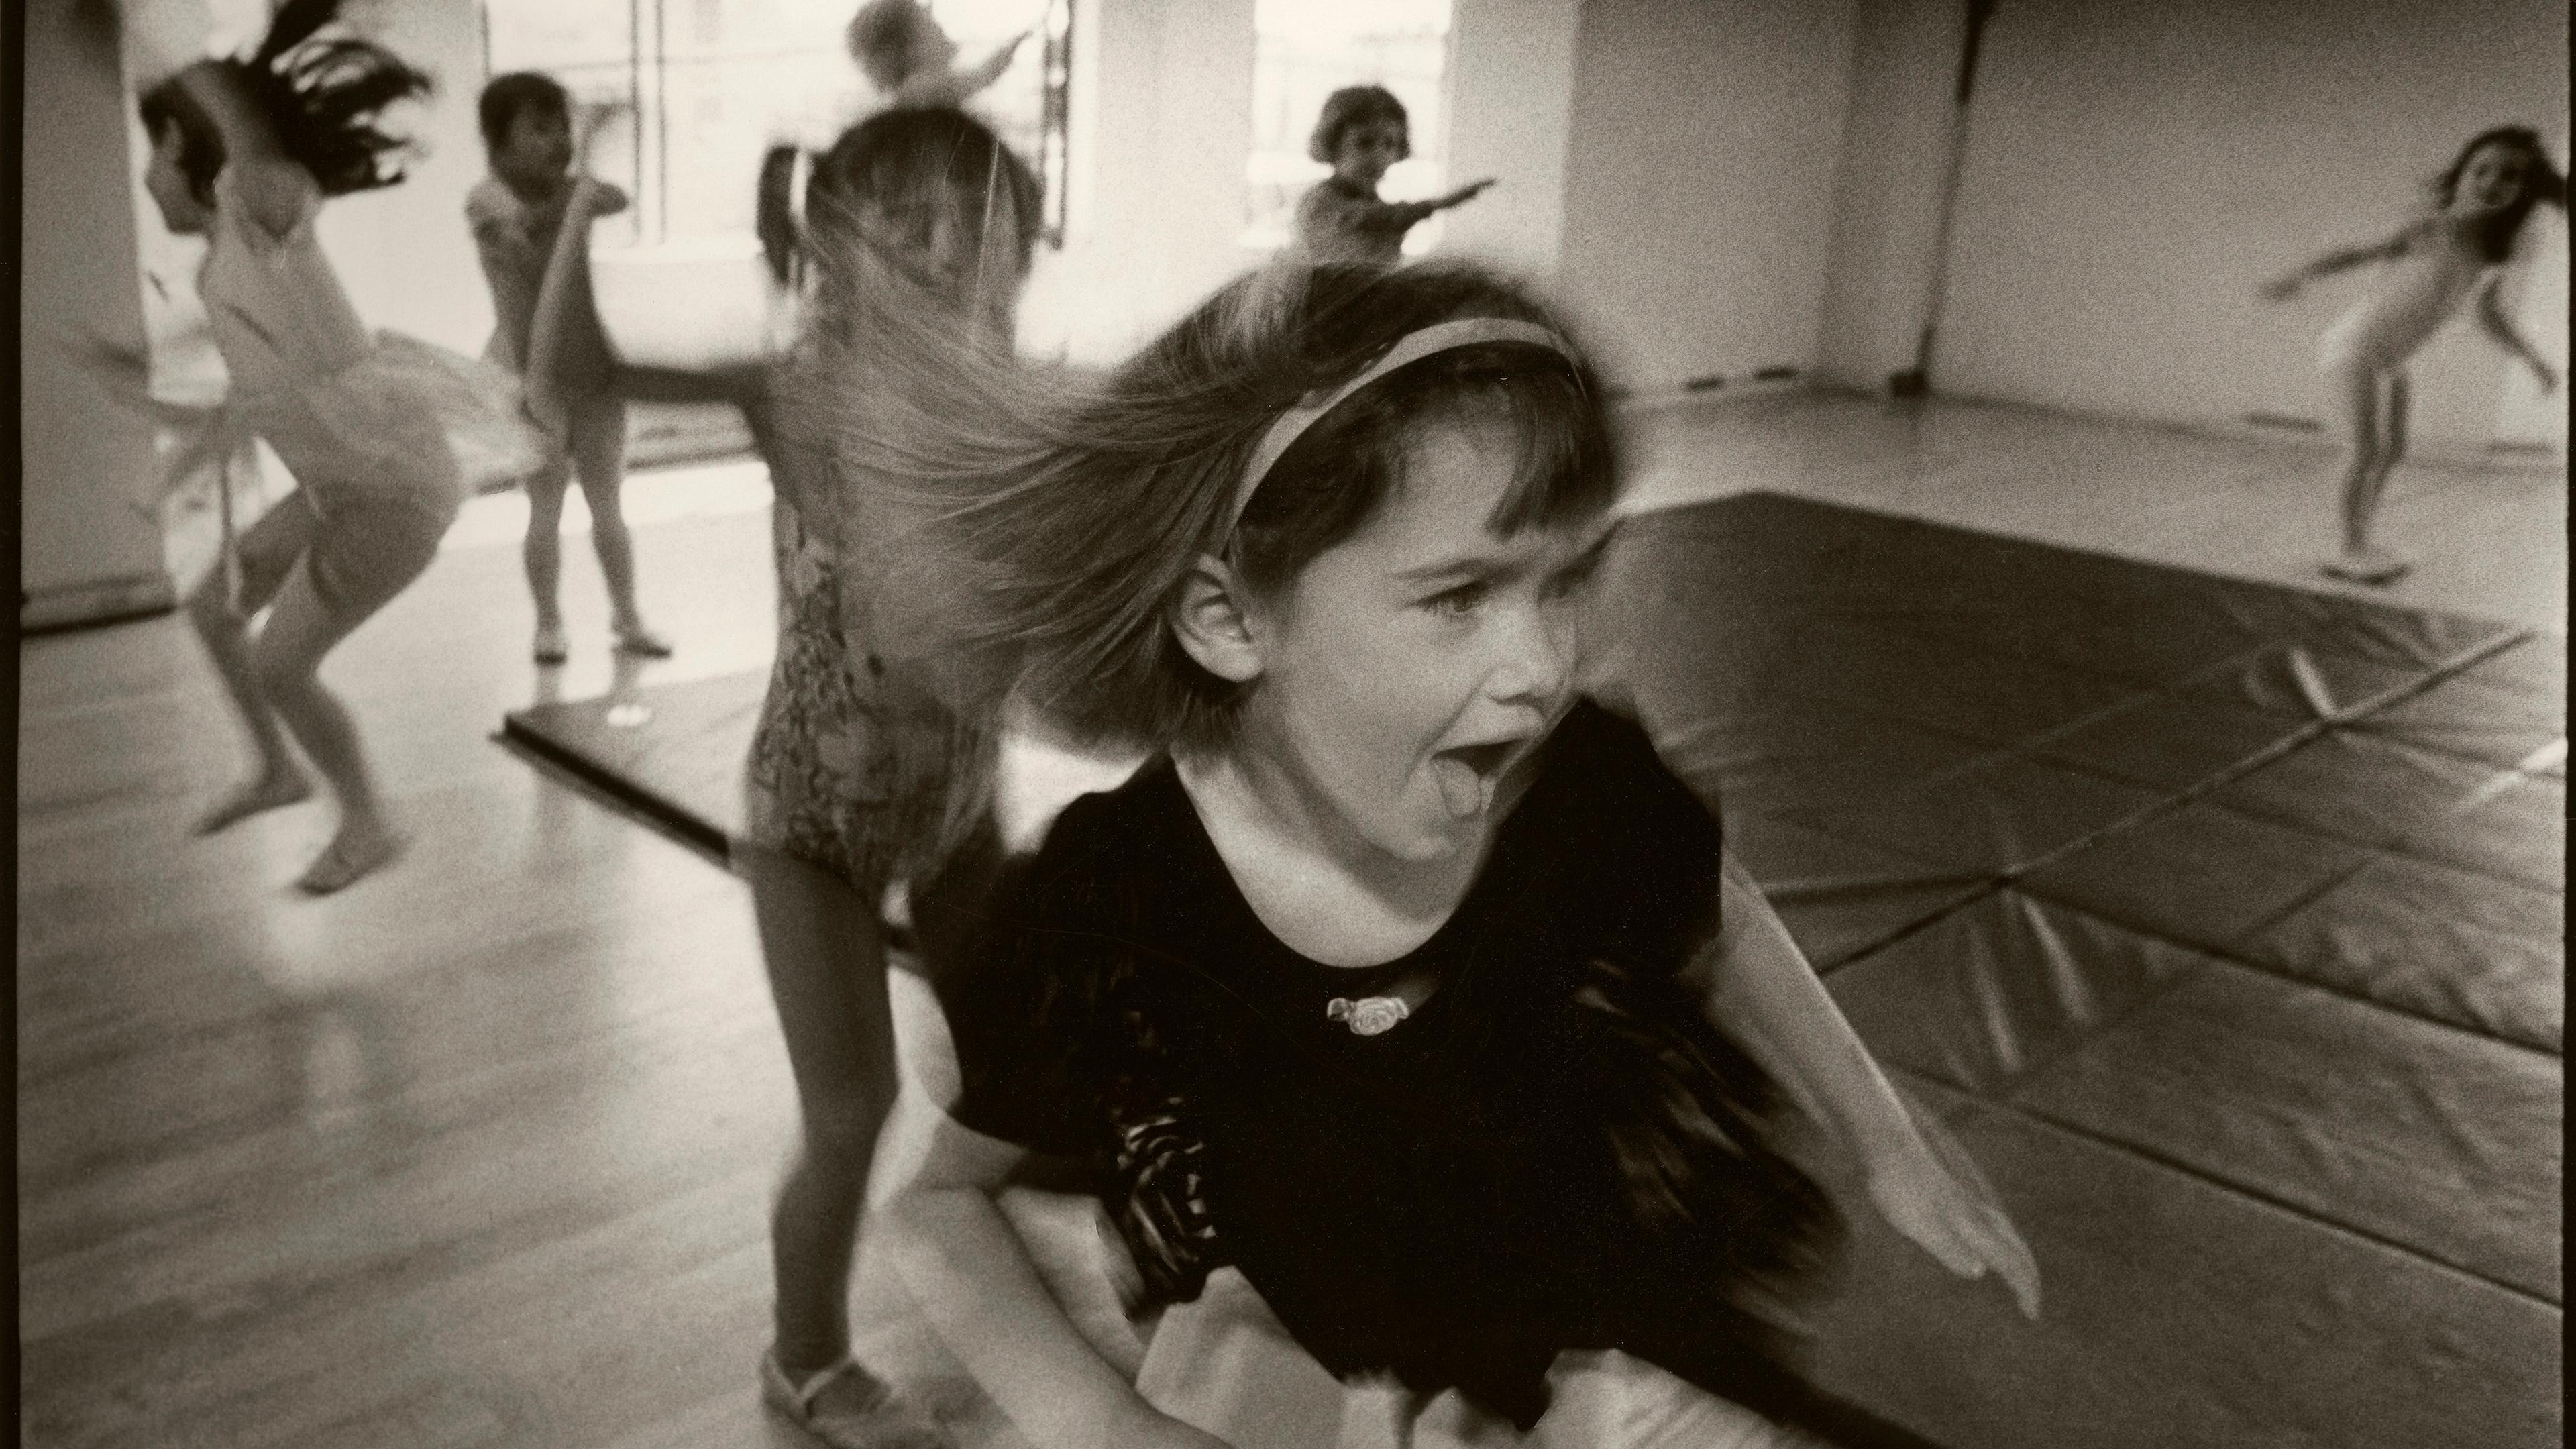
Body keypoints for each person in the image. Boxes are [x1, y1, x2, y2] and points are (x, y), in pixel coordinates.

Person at [871, 262, 2041, 1449]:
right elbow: (939, 1206)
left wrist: (1884, 1135)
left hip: (1598, 1355)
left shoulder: (1575, 786)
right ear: (1230, 622)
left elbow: (1712, 906)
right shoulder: (1110, 906)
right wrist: (1106, 1426)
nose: (1541, 666)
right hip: (1330, 1389)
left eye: (1567, 580)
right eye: (1461, 594)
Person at [533, 102, 1044, 1446]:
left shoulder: (1018, 408)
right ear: (837, 241)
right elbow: (579, 364)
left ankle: (1002, 1244)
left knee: (1034, 1066)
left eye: (968, 222)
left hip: (956, 813)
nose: (940, 248)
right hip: (808, 826)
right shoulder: (796, 389)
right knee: (851, 1103)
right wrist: (581, 215)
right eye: (908, 220)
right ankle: (805, 1359)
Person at [120, 0, 537, 893]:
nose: (148, 175)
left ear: (197, 157)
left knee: (281, 662)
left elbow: (248, 139)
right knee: (211, 606)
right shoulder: (227, 266)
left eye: (155, 150)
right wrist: (141, 384)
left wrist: (168, 52)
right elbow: (246, 387)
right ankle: (276, 771)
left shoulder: (259, 215)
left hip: (392, 496)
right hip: (342, 484)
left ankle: (370, 822)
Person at [2261, 125, 2565, 585]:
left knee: (2393, 451)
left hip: (2392, 358)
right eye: (2480, 170)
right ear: (2461, 175)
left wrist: (2532, 359)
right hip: (2357, 344)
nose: (2492, 182)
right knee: (2365, 449)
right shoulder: (2433, 226)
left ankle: (2361, 538)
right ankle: (2347, 547)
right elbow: (2358, 254)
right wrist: (2301, 276)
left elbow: (2488, 314)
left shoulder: (2491, 253)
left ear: (2524, 190)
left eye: (2509, 176)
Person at [466, 71, 672, 664]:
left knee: (609, 502)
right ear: (498, 140)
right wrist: (576, 190)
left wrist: (580, 176)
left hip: (593, 373)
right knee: (546, 506)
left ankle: (627, 615)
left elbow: (615, 199)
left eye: (562, 127)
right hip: (535, 379)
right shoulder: (487, 200)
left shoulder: (576, 190)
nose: (557, 140)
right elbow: (525, 247)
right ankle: (549, 623)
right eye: (539, 128)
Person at [1293, 85, 1491, 269]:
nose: (1379, 156)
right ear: (1333, 144)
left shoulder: (1372, 199)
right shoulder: (1320, 201)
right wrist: (1435, 205)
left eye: (1389, 144)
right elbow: (1371, 218)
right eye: (1364, 143)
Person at [845, 0, 1027, 112]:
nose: (941, 29)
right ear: (910, 50)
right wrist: (1018, 40)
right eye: (930, 25)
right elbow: (981, 77)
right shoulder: (920, 90)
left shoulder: (908, 93)